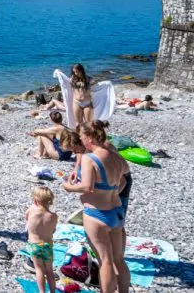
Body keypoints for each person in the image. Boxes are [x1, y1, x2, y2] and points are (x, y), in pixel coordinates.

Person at [63, 120, 130, 293]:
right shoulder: (113, 154)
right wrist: (111, 191)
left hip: (97, 214)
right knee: (118, 260)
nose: (81, 141)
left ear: (90, 137)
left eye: (82, 137)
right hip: (117, 211)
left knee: (105, 261)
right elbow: (123, 178)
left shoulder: (89, 158)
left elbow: (87, 186)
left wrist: (68, 187)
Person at [24, 186, 58, 293]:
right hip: (47, 246)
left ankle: (42, 291)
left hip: (34, 246)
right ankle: (52, 291)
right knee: (49, 271)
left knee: (39, 270)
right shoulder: (53, 216)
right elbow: (52, 231)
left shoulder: (31, 210)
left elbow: (27, 220)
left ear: (35, 200)